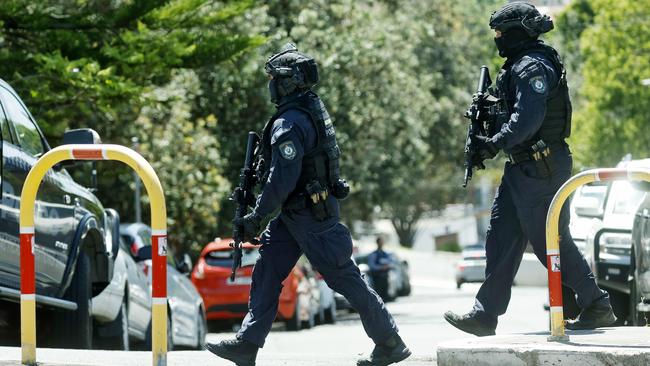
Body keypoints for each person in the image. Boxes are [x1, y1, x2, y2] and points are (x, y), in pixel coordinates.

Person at [206, 43, 411, 366]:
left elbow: (282, 177)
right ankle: (248, 344)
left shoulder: (291, 122)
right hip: (295, 214)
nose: (270, 84)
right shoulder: (307, 108)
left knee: (344, 278)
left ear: (288, 82)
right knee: (268, 271)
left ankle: (389, 341)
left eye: (274, 78)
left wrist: (257, 216)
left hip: (311, 216)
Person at [444, 2, 616, 337]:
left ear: (517, 33)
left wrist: (493, 142)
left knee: (549, 241)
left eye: (500, 33)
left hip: (542, 167)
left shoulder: (531, 67)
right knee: (501, 237)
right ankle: (485, 315)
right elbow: (510, 113)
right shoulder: (518, 65)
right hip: (522, 169)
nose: (497, 39)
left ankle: (597, 304)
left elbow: (527, 120)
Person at [368, 236, 393, 301]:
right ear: (377, 243)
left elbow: (391, 263)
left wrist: (388, 266)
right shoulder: (374, 254)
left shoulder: (385, 254)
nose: (381, 243)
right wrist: (381, 268)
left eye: (382, 242)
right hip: (377, 279)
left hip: (385, 278)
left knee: (385, 298)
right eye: (380, 242)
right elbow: (372, 266)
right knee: (378, 298)